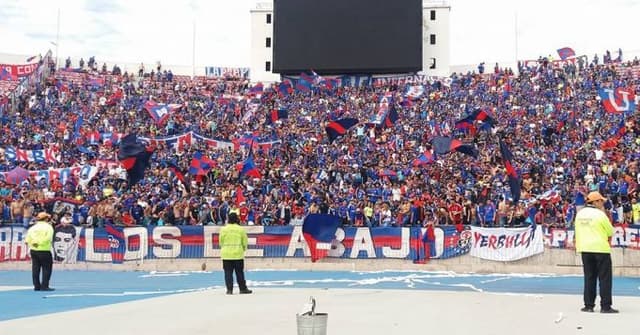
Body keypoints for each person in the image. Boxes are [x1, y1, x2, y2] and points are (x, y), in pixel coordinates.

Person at [574, 191, 618, 313]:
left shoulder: (580, 214)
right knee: (604, 278)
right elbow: (610, 231)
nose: (602, 203)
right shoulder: (600, 215)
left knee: (589, 277)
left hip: (585, 249)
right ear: (595, 202)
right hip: (600, 249)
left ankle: (588, 305)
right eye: (601, 201)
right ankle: (605, 306)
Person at [219, 213, 252, 295]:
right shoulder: (240, 229)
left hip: (226, 254)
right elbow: (244, 242)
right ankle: (242, 289)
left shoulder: (223, 229)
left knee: (228, 273)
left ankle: (229, 290)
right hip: (238, 254)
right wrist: (243, 249)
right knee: (239, 272)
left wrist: (224, 248)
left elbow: (221, 242)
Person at [25, 212, 55, 291]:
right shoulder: (48, 227)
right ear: (46, 219)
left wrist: (34, 244)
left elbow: (27, 239)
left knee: (35, 268)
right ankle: (44, 286)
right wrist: (40, 243)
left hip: (34, 250)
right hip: (44, 250)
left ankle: (36, 286)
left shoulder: (33, 228)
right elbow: (48, 238)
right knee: (47, 268)